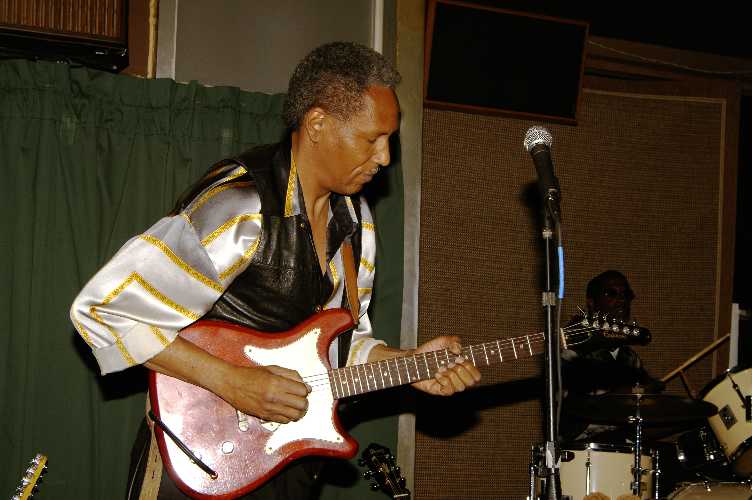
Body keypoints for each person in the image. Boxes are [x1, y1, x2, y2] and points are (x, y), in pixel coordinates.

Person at [70, 42, 481, 499]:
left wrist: (409, 365)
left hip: (290, 466)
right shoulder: (241, 207)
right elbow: (105, 312)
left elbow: (341, 348)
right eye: (372, 140)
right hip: (195, 460)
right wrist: (233, 382)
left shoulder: (357, 221)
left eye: (390, 140)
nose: (385, 157)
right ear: (318, 124)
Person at [560, 270, 663, 442]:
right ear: (591, 303)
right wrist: (616, 397)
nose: (622, 300)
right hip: (580, 451)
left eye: (626, 294)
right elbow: (564, 418)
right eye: (611, 293)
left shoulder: (630, 358)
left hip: (621, 447)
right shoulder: (572, 351)